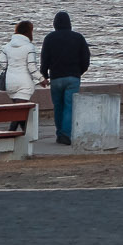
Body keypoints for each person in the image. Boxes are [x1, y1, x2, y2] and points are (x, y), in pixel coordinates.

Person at [39, 10, 92, 146]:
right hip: (73, 77)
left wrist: (44, 75)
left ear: (55, 24)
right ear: (69, 23)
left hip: (56, 78)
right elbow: (86, 58)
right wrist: (79, 72)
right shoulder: (78, 37)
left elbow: (44, 59)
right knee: (69, 106)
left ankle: (60, 133)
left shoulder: (49, 38)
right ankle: (66, 134)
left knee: (58, 106)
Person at [0, 21, 40, 105]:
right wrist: (41, 79)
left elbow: (3, 64)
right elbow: (32, 67)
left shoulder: (6, 47)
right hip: (24, 83)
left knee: (17, 108)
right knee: (21, 111)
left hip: (10, 83)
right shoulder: (29, 47)